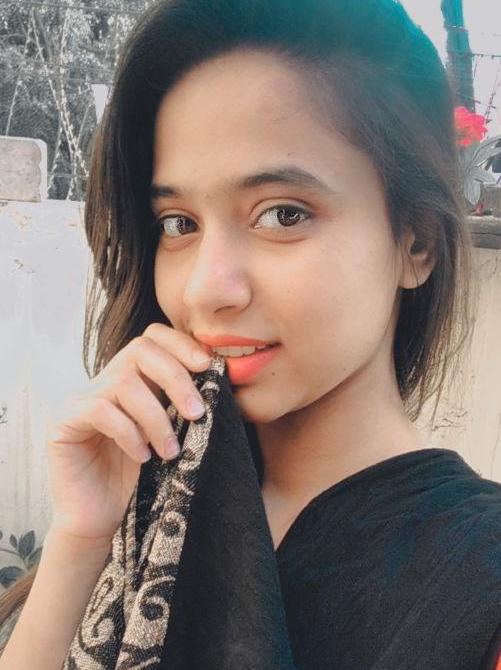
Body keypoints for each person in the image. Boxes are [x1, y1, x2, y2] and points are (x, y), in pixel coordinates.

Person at [1, 0, 501, 667]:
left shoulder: (475, 581)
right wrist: (81, 538)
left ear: (417, 243)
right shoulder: (146, 504)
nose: (206, 289)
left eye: (282, 214)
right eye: (178, 224)